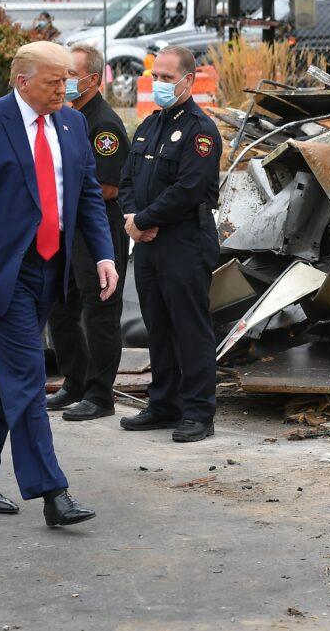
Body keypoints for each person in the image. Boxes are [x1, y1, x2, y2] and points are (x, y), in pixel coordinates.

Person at [0, 41, 118, 527]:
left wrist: (103, 253)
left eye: (68, 80)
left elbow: (85, 194)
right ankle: (52, 491)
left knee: (5, 377)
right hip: (2, 275)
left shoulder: (73, 123)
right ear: (23, 81)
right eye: (53, 81)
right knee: (26, 377)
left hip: (52, 269)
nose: (64, 88)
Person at [118, 45, 221, 443]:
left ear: (188, 80)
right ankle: (164, 404)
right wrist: (133, 220)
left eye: (166, 77)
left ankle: (197, 412)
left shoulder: (199, 130)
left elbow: (189, 188)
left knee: (189, 329)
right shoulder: (149, 126)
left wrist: (144, 220)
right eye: (155, 77)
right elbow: (127, 180)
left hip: (184, 242)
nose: (159, 83)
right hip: (146, 244)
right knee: (157, 326)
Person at [46, 44, 130, 421]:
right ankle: (75, 381)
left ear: (92, 80)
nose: (64, 83)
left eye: (70, 76)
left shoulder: (104, 125)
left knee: (99, 314)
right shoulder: (64, 118)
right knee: (62, 309)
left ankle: (99, 395)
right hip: (67, 229)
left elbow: (108, 187)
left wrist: (60, 189)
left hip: (98, 228)